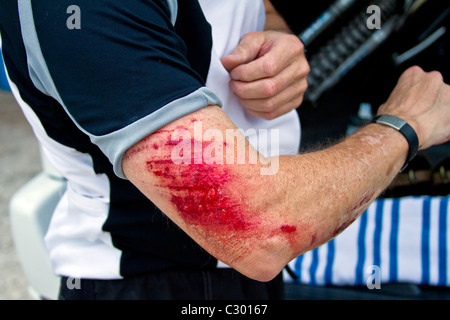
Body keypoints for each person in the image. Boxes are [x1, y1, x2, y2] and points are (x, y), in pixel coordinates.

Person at [0, 0, 448, 300]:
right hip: (153, 280)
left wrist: (276, 40)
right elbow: (259, 229)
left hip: (246, 274)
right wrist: (403, 126)